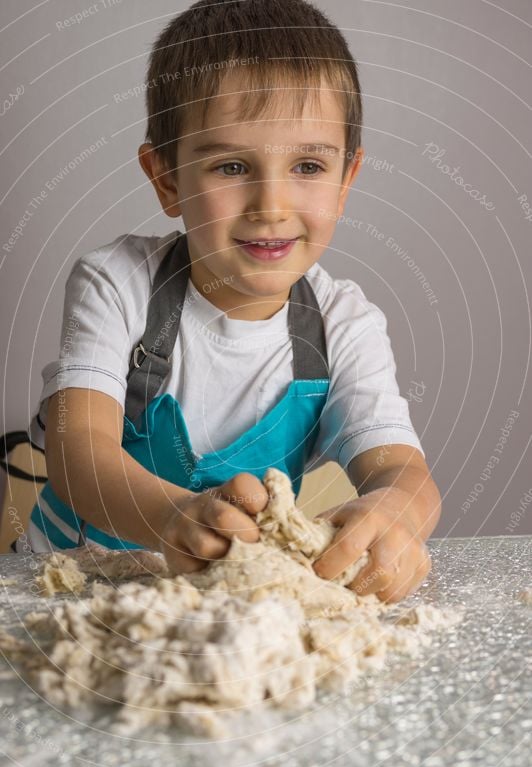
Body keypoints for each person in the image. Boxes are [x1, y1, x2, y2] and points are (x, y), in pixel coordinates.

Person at [25, 0, 441, 603]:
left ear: (346, 179)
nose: (270, 204)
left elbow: (402, 471)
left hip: (221, 606)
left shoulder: (343, 324)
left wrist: (394, 513)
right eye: (231, 166)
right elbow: (77, 450)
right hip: (69, 590)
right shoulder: (117, 283)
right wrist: (172, 516)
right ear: (167, 180)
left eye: (307, 165)